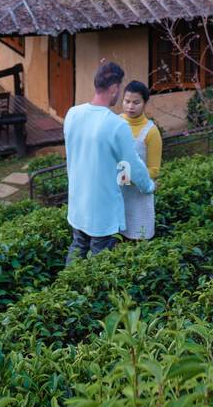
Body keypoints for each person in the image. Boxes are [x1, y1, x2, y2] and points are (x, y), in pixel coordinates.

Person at [63, 60, 154, 266]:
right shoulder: (116, 125)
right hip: (103, 210)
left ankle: (63, 293)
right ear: (114, 88)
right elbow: (132, 165)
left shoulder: (72, 114)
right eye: (119, 88)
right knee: (101, 265)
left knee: (77, 249)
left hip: (78, 202)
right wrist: (148, 186)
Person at [120, 81, 161, 241]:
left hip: (139, 196)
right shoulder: (115, 123)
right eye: (127, 101)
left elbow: (154, 169)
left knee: (139, 240)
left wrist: (128, 177)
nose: (130, 106)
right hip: (117, 195)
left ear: (144, 103)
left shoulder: (151, 132)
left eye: (136, 102)